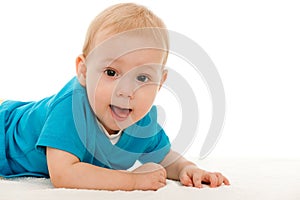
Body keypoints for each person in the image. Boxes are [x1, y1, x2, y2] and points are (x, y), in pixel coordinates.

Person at [0, 3, 230, 191]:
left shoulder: (142, 119)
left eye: (142, 78)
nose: (126, 91)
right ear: (84, 71)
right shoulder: (70, 107)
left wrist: (185, 169)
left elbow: (163, 156)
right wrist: (132, 181)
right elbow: (64, 173)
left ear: (160, 83)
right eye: (111, 73)